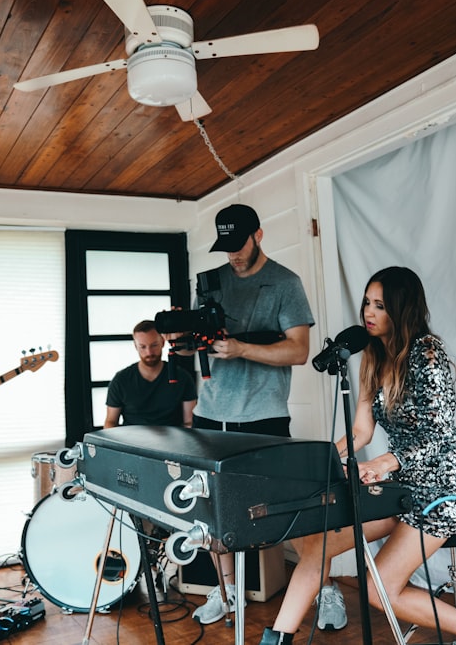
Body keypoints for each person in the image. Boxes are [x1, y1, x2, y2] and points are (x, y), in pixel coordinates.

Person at [259, 266, 456, 644]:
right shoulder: (373, 359)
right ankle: (277, 639)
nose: (368, 312)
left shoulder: (427, 353)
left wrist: (385, 462)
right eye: (366, 303)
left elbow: (440, 433)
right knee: (320, 545)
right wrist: (324, 460)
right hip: (403, 487)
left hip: (445, 488)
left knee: (380, 591)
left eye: (380, 305)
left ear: (402, 308)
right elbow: (361, 432)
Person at [186, 203, 316, 625]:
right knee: (210, 513)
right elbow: (195, 340)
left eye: (239, 244)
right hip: (211, 416)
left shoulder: (285, 283)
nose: (233, 255)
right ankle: (224, 595)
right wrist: (185, 343)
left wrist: (241, 348)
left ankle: (323, 587)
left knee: (288, 506)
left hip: (263, 416)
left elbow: (299, 350)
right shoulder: (210, 282)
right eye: (226, 247)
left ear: (258, 235)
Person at [103, 319, 197, 428]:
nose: (149, 352)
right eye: (143, 347)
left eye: (154, 345)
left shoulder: (182, 377)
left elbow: (189, 423)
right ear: (135, 346)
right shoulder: (121, 380)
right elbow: (111, 422)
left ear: (162, 342)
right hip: (131, 441)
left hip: (172, 442)